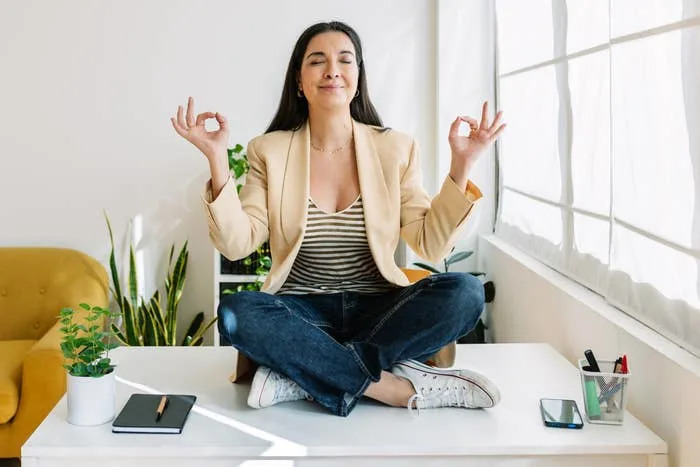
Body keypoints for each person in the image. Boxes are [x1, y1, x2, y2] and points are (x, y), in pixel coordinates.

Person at [171, 21, 506, 417]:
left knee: (465, 293)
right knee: (236, 313)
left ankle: (303, 374)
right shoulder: (269, 151)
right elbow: (237, 242)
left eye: (345, 60)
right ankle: (391, 387)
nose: (332, 69)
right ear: (299, 80)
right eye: (317, 61)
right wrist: (217, 161)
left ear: (358, 77)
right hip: (302, 314)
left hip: (379, 312)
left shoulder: (395, 148)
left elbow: (430, 243)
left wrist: (462, 166)